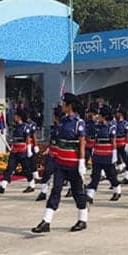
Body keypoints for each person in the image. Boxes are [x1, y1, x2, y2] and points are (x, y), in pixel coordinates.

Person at [31, 93, 88, 233]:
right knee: (55, 190)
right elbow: (57, 141)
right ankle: (46, 221)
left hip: (73, 164)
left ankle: (83, 219)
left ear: (70, 106)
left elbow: (82, 143)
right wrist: (47, 151)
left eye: (64, 104)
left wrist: (82, 162)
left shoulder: (79, 123)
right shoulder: (62, 121)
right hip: (60, 164)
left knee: (77, 192)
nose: (62, 106)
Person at [0, 112, 37, 194]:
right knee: (9, 168)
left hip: (22, 151)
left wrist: (29, 149)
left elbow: (27, 139)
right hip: (14, 151)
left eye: (15, 116)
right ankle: (3, 186)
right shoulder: (15, 127)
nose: (14, 117)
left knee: (26, 169)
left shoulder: (25, 127)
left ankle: (31, 185)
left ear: (19, 117)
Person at [86, 105, 122, 203]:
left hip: (107, 155)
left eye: (100, 115)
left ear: (104, 116)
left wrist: (114, 154)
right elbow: (95, 139)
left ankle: (117, 190)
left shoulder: (111, 127)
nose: (98, 117)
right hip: (97, 155)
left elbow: (113, 141)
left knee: (111, 175)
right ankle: (90, 195)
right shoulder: (97, 126)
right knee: (95, 176)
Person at [35, 106, 63, 202]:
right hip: (52, 154)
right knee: (47, 172)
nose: (52, 117)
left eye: (53, 115)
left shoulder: (63, 128)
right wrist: (46, 148)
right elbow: (52, 141)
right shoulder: (54, 127)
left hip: (61, 155)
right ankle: (43, 192)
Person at [113, 107, 128, 184]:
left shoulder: (125, 123)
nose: (116, 114)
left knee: (126, 159)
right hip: (116, 143)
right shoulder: (115, 123)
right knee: (116, 159)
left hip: (122, 142)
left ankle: (127, 176)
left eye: (117, 113)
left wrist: (127, 143)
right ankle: (119, 171)